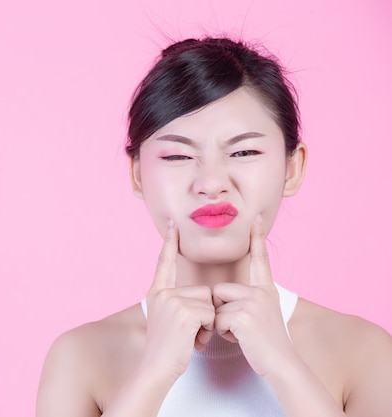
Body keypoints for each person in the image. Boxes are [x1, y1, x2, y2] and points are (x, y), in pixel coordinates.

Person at [35, 37, 392, 417]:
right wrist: (154, 373)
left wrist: (284, 366)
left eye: (243, 152)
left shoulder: (363, 351)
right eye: (177, 155)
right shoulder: (81, 358)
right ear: (138, 174)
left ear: (292, 168)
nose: (210, 182)